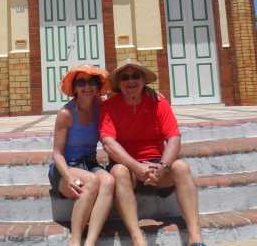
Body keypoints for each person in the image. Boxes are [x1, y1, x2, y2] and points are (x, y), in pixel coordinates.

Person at [99, 60, 206, 246]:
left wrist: (163, 166)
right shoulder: (109, 106)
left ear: (143, 80)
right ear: (119, 83)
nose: (130, 81)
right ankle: (138, 239)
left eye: (135, 76)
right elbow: (108, 143)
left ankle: (195, 239)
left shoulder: (158, 102)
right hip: (128, 167)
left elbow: (173, 137)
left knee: (181, 167)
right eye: (125, 77)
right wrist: (137, 167)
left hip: (158, 165)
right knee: (118, 172)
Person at [49, 65, 115, 246]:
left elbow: (125, 94)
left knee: (109, 181)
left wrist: (152, 93)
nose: (87, 87)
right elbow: (57, 154)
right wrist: (69, 177)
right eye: (81, 82)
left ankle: (90, 241)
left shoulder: (99, 105)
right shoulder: (66, 114)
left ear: (98, 86)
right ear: (74, 88)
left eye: (92, 82)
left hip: (89, 164)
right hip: (65, 168)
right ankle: (75, 240)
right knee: (93, 182)